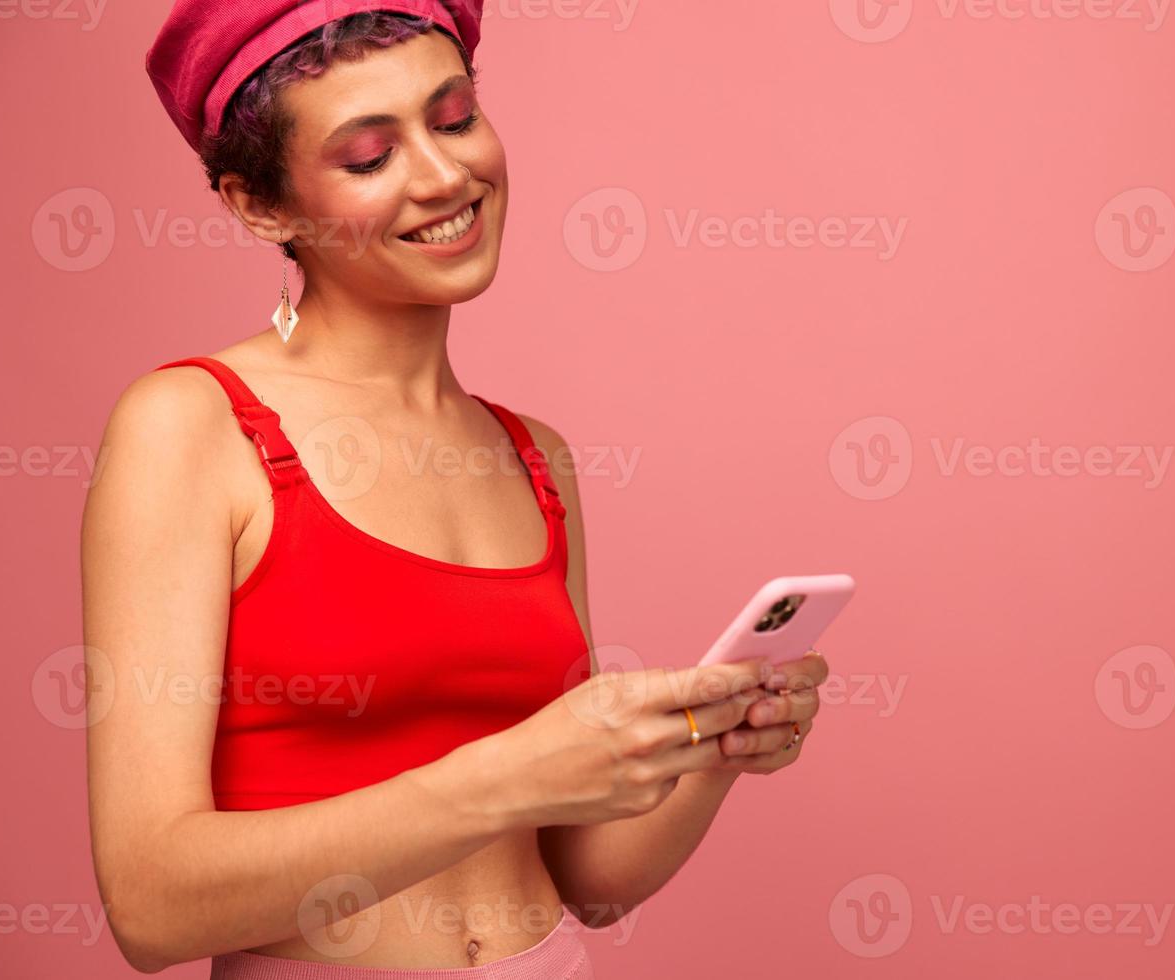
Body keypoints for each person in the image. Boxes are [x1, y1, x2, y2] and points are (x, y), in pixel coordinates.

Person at [81, 3, 829, 975]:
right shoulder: (192, 427)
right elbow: (152, 902)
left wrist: (711, 748)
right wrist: (505, 776)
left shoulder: (535, 458)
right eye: (367, 156)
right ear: (260, 207)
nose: (445, 176)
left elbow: (588, 879)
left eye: (453, 116)